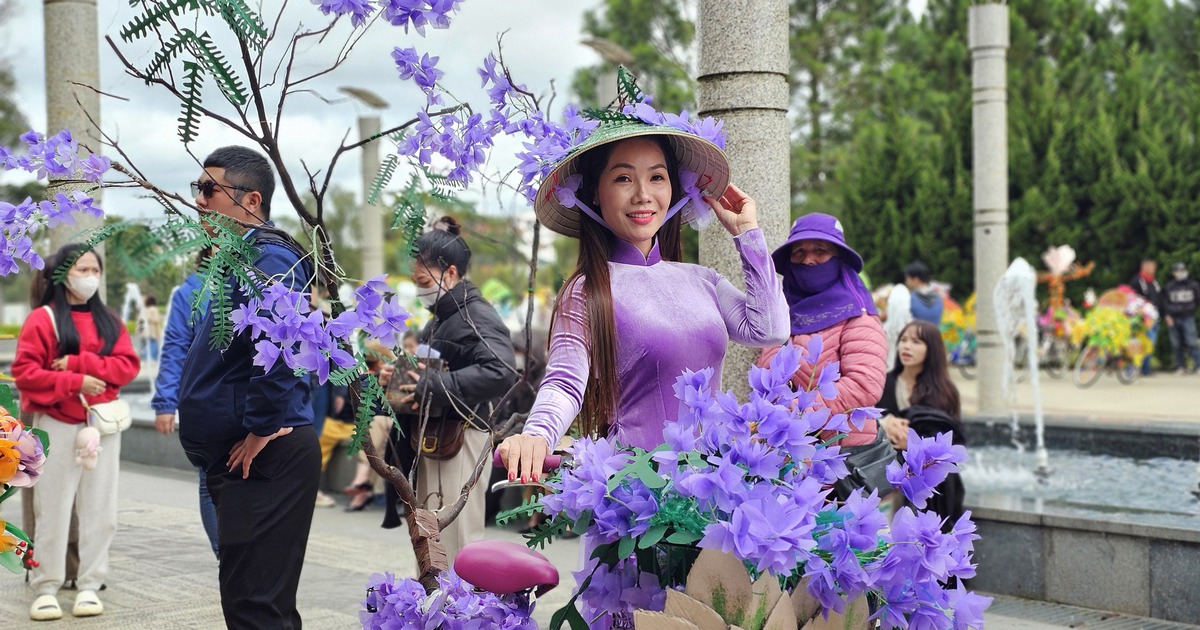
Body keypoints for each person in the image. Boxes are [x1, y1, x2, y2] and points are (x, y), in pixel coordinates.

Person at [499, 114, 790, 483]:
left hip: (713, 493)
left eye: (657, 176)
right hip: (634, 500)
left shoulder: (704, 281)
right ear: (593, 193)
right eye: (623, 178)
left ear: (674, 188)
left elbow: (771, 330)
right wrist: (536, 435)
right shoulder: (588, 289)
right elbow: (564, 382)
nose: (642, 194)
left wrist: (747, 234)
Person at [176, 145, 318, 629]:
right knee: (252, 602)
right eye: (198, 188)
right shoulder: (239, 259)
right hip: (244, 456)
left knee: (256, 607)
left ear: (250, 200)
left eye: (209, 189)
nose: (199, 200)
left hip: (263, 455)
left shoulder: (271, 258)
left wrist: (261, 426)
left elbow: (283, 347)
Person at [13, 244, 141, 621]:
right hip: (56, 425)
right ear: (63, 274)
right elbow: (26, 373)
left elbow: (126, 366)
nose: (90, 276)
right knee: (51, 509)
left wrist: (79, 364)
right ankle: (46, 586)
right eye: (81, 269)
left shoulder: (111, 322)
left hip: (101, 426)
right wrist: (76, 381)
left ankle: (90, 583)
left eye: (94, 269)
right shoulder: (43, 320)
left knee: (102, 510)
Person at [391, 216, 517, 559]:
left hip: (462, 438)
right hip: (441, 437)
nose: (419, 288)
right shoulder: (445, 316)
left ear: (449, 273)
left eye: (422, 279)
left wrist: (432, 384)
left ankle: (461, 613)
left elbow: (502, 370)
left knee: (458, 545)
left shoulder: (473, 314)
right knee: (437, 542)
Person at [757, 213, 888, 445]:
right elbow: (766, 378)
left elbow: (864, 385)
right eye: (799, 252)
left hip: (842, 455)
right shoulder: (781, 316)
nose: (808, 260)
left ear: (839, 259)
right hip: (785, 452)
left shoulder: (857, 317)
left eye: (820, 250)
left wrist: (800, 409)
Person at [151, 248, 219, 557]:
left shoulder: (260, 280)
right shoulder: (190, 293)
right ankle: (224, 557)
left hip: (250, 401)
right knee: (209, 480)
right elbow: (175, 349)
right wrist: (165, 402)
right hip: (207, 404)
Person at [877, 320, 966, 531]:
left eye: (916, 341)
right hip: (888, 474)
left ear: (932, 349)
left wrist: (915, 443)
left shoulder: (945, 392)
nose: (907, 346)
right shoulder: (883, 383)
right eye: (904, 340)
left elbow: (952, 441)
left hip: (930, 480)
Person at [1163, 261, 1200, 374]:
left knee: (1192, 342)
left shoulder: (1193, 285)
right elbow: (1165, 303)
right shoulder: (1169, 287)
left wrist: (1189, 308)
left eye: (1182, 270)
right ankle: (1181, 367)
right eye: (1178, 271)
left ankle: (1198, 365)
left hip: (1188, 316)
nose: (1181, 273)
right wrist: (1167, 315)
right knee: (1176, 344)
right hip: (1173, 318)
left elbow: (1197, 299)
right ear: (1174, 273)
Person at [1129, 258, 1164, 375]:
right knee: (1142, 342)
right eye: (1151, 266)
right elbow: (1132, 298)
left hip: (1154, 317)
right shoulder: (1137, 280)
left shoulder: (1153, 281)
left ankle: (1145, 368)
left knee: (1150, 343)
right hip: (1143, 318)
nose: (1153, 269)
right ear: (1144, 267)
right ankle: (1135, 368)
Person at [905, 260, 944, 326]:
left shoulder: (910, 298)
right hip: (934, 335)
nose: (906, 282)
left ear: (915, 279)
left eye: (907, 279)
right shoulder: (939, 299)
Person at [138, 294, 162, 362]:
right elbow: (156, 319)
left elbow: (140, 320)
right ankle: (150, 359)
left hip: (144, 332)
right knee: (152, 346)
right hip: (152, 332)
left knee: (145, 346)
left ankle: (144, 359)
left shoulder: (145, 309)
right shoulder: (153, 309)